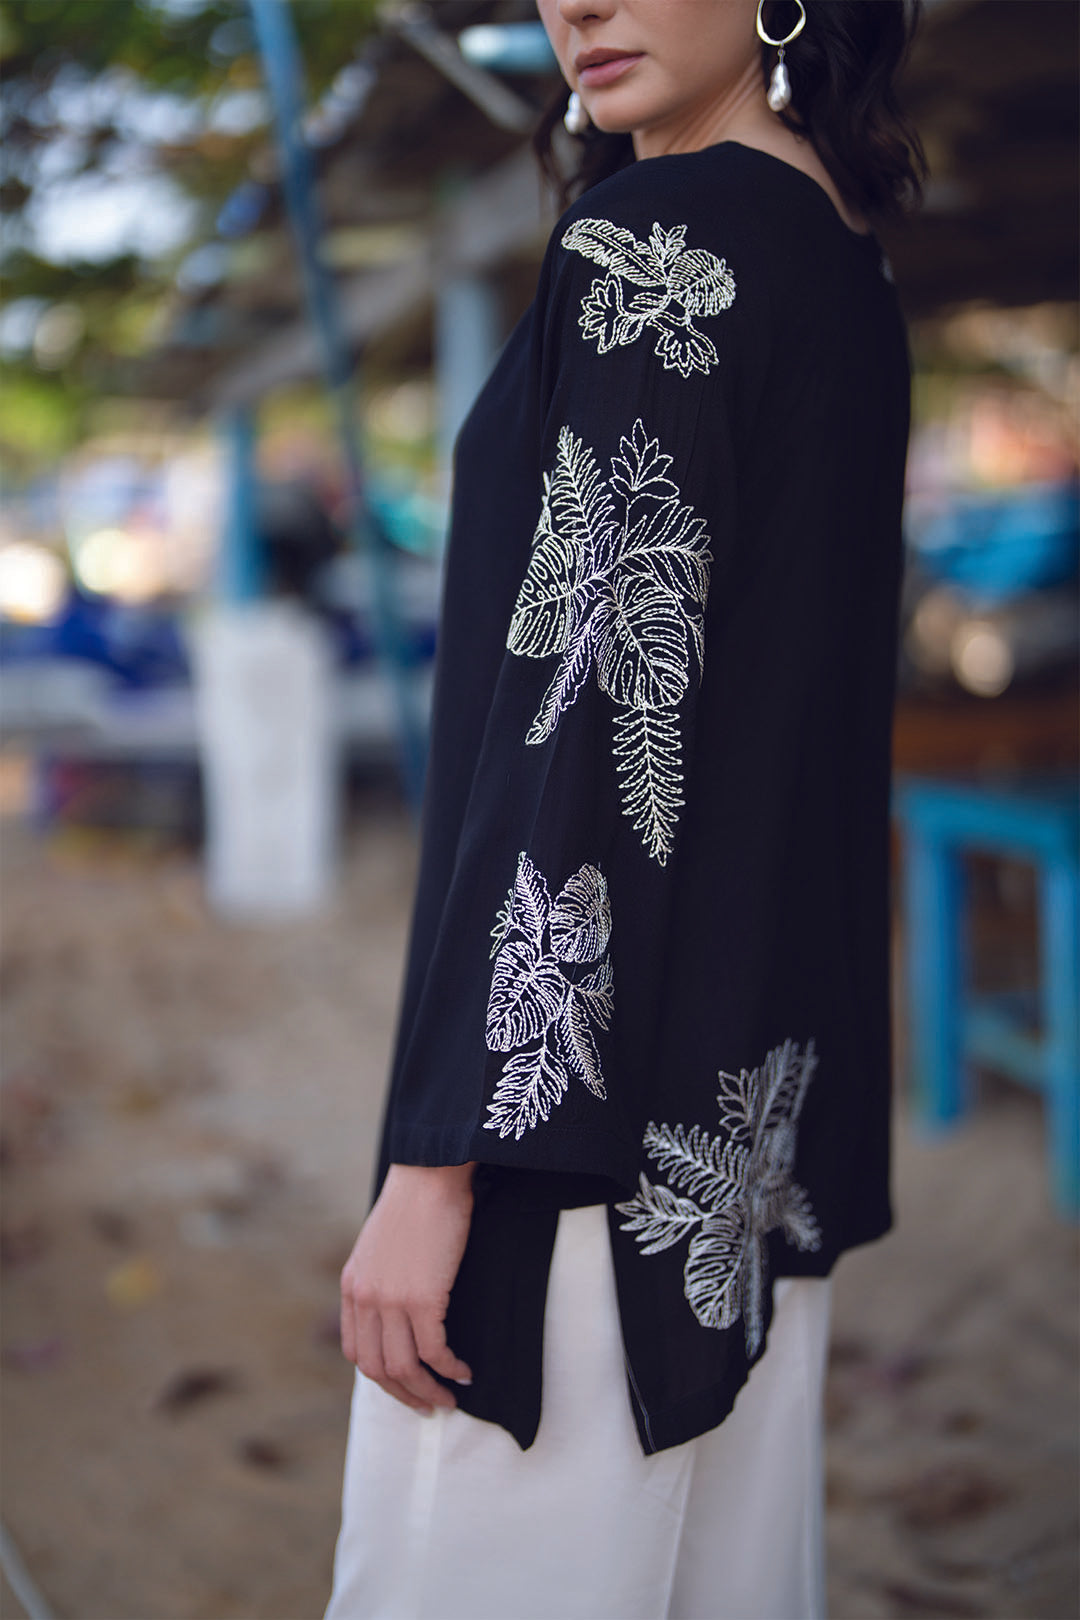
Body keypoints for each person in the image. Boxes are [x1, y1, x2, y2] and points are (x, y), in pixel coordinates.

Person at [324, 3, 927, 1616]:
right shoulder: (842, 260)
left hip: (577, 1160)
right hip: (744, 1156)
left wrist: (440, 1167)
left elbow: (591, 713)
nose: (572, 2)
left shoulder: (657, 241)